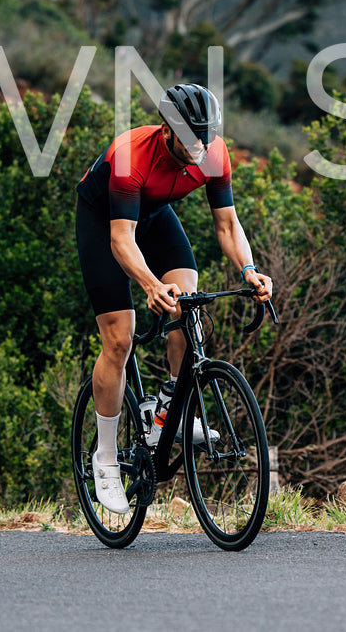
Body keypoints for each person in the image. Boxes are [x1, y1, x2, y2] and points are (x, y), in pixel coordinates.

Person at [75, 83, 273, 514]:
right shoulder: (131, 155)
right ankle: (105, 459)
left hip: (154, 216)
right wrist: (149, 285)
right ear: (166, 129)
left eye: (206, 134)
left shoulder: (213, 153)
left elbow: (227, 225)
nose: (200, 146)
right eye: (190, 137)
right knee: (119, 339)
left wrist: (249, 269)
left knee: (189, 305)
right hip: (105, 224)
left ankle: (165, 412)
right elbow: (121, 240)